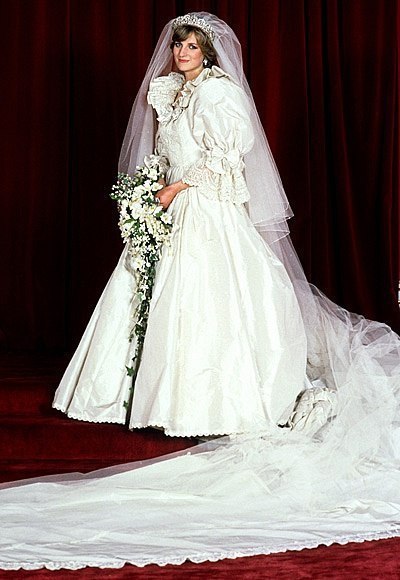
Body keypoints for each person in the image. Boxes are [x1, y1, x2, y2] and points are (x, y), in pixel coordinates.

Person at [1, 12, 400, 571]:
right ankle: (142, 394)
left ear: (210, 53)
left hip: (206, 212)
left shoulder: (219, 95)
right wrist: (148, 191)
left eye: (192, 46)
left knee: (211, 304)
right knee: (156, 299)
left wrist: (174, 189)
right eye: (178, 44)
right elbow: (167, 153)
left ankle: (214, 400)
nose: (183, 52)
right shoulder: (171, 93)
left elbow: (226, 160)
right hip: (173, 207)